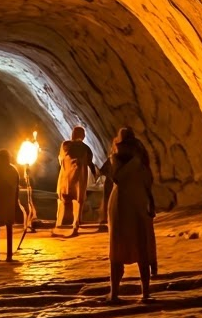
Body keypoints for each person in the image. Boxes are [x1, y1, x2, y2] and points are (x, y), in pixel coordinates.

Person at [107, 135, 155, 303]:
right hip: (121, 206)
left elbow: (148, 181)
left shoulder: (140, 161)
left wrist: (150, 202)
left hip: (138, 206)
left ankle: (145, 292)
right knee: (118, 250)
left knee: (142, 249)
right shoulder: (116, 160)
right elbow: (118, 177)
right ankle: (114, 293)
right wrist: (135, 161)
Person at [54, 126, 98, 236]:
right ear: (82, 136)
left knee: (64, 200)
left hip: (66, 178)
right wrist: (95, 174)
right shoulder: (85, 148)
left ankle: (61, 223)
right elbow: (90, 163)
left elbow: (61, 159)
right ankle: (76, 222)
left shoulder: (65, 145)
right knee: (78, 200)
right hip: (79, 179)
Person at [0, 148, 21, 261]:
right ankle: (8, 255)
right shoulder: (12, 169)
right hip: (9, 199)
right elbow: (17, 188)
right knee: (8, 227)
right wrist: (15, 201)